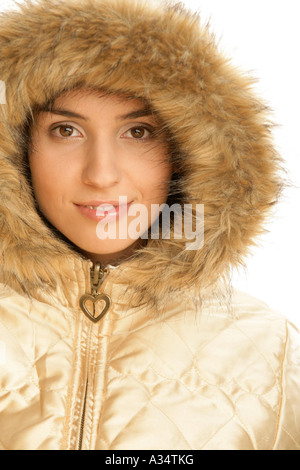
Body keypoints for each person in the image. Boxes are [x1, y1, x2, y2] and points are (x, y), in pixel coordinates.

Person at [0, 0, 299, 451]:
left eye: (138, 132)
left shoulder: (274, 354)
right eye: (65, 130)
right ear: (16, 144)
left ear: (190, 151)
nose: (101, 175)